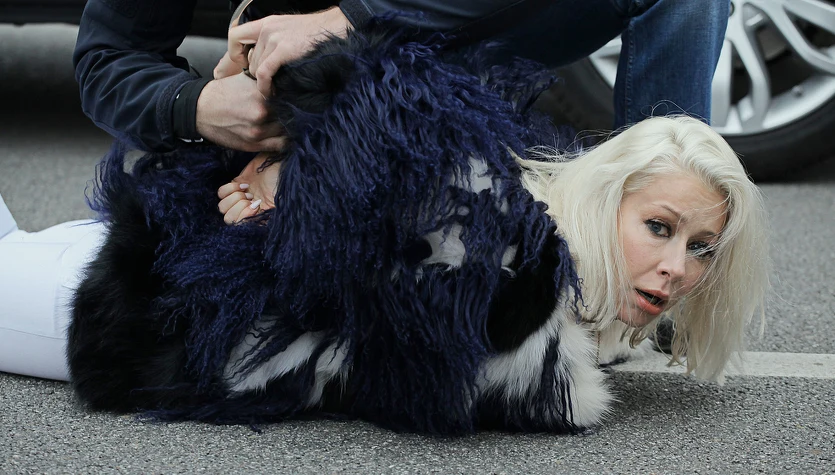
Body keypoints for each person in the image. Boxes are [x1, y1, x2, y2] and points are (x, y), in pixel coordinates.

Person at [3, 27, 766, 434]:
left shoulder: (529, 247)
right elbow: (373, 105)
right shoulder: (509, 267)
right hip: (134, 313)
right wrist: (289, 155)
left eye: (701, 248)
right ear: (603, 196)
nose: (676, 268)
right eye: (659, 227)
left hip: (171, 267)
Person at [73, 0, 729, 153]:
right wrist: (196, 104)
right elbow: (107, 58)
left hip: (462, 36)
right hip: (312, 103)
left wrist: (348, 16)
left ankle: (658, 220)